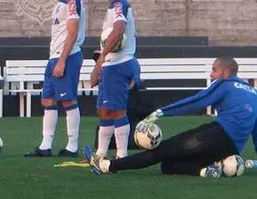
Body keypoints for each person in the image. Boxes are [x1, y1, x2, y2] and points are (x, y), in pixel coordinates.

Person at [85, 57, 257, 177]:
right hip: (230, 149)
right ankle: (205, 171)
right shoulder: (254, 93)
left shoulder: (225, 84)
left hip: (216, 135)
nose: (211, 75)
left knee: (161, 151)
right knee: (168, 166)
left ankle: (108, 166)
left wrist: (161, 112)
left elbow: (197, 101)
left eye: (214, 70)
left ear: (226, 72)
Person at [25, 0, 86, 157]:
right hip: (54, 57)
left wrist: (62, 61)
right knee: (47, 100)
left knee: (68, 101)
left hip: (66, 57)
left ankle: (72, 146)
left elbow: (73, 33)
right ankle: (45, 146)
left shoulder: (72, 1)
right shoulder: (61, 3)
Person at [91, 0, 137, 159]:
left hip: (119, 64)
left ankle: (121, 156)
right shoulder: (113, 7)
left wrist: (100, 60)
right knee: (105, 110)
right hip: (112, 65)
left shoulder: (119, 5)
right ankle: (101, 154)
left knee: (117, 110)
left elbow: (118, 31)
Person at [92, 51, 157, 151]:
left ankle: (120, 154)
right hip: (113, 102)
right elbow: (93, 81)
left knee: (118, 116)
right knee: (105, 119)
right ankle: (101, 153)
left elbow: (133, 83)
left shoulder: (129, 64)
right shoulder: (106, 74)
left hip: (130, 117)